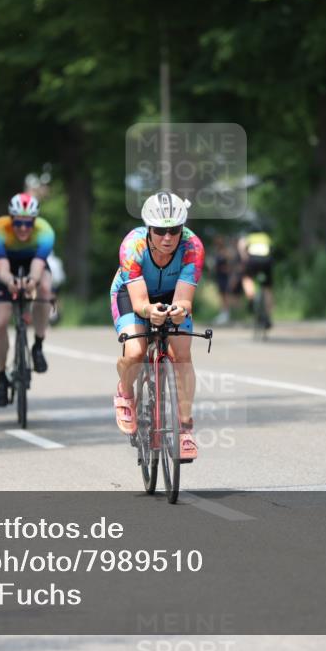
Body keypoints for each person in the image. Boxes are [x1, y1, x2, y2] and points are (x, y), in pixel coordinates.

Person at [111, 191, 204, 461]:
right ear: (148, 229)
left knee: (182, 354)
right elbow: (140, 302)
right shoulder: (133, 246)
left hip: (172, 295)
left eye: (174, 230)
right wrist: (149, 311)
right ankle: (125, 392)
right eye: (160, 231)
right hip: (132, 295)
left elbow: (184, 300)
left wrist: (178, 311)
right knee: (136, 351)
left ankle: (185, 429)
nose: (167, 238)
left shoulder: (192, 247)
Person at [0, 193, 56, 407]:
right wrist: (10, 282)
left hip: (34, 265)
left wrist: (32, 281)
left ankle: (38, 345)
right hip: (6, 268)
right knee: (0, 322)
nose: (24, 228)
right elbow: (1, 269)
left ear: (35, 221)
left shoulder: (45, 231)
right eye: (19, 223)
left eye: (28, 223)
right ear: (11, 219)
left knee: (44, 287)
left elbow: (38, 266)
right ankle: (1, 378)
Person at [237, 223, 275, 328]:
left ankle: (251, 299)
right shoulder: (266, 237)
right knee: (268, 288)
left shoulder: (248, 237)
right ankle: (268, 316)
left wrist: (244, 261)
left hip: (253, 260)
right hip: (267, 261)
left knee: (246, 278)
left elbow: (242, 249)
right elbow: (272, 251)